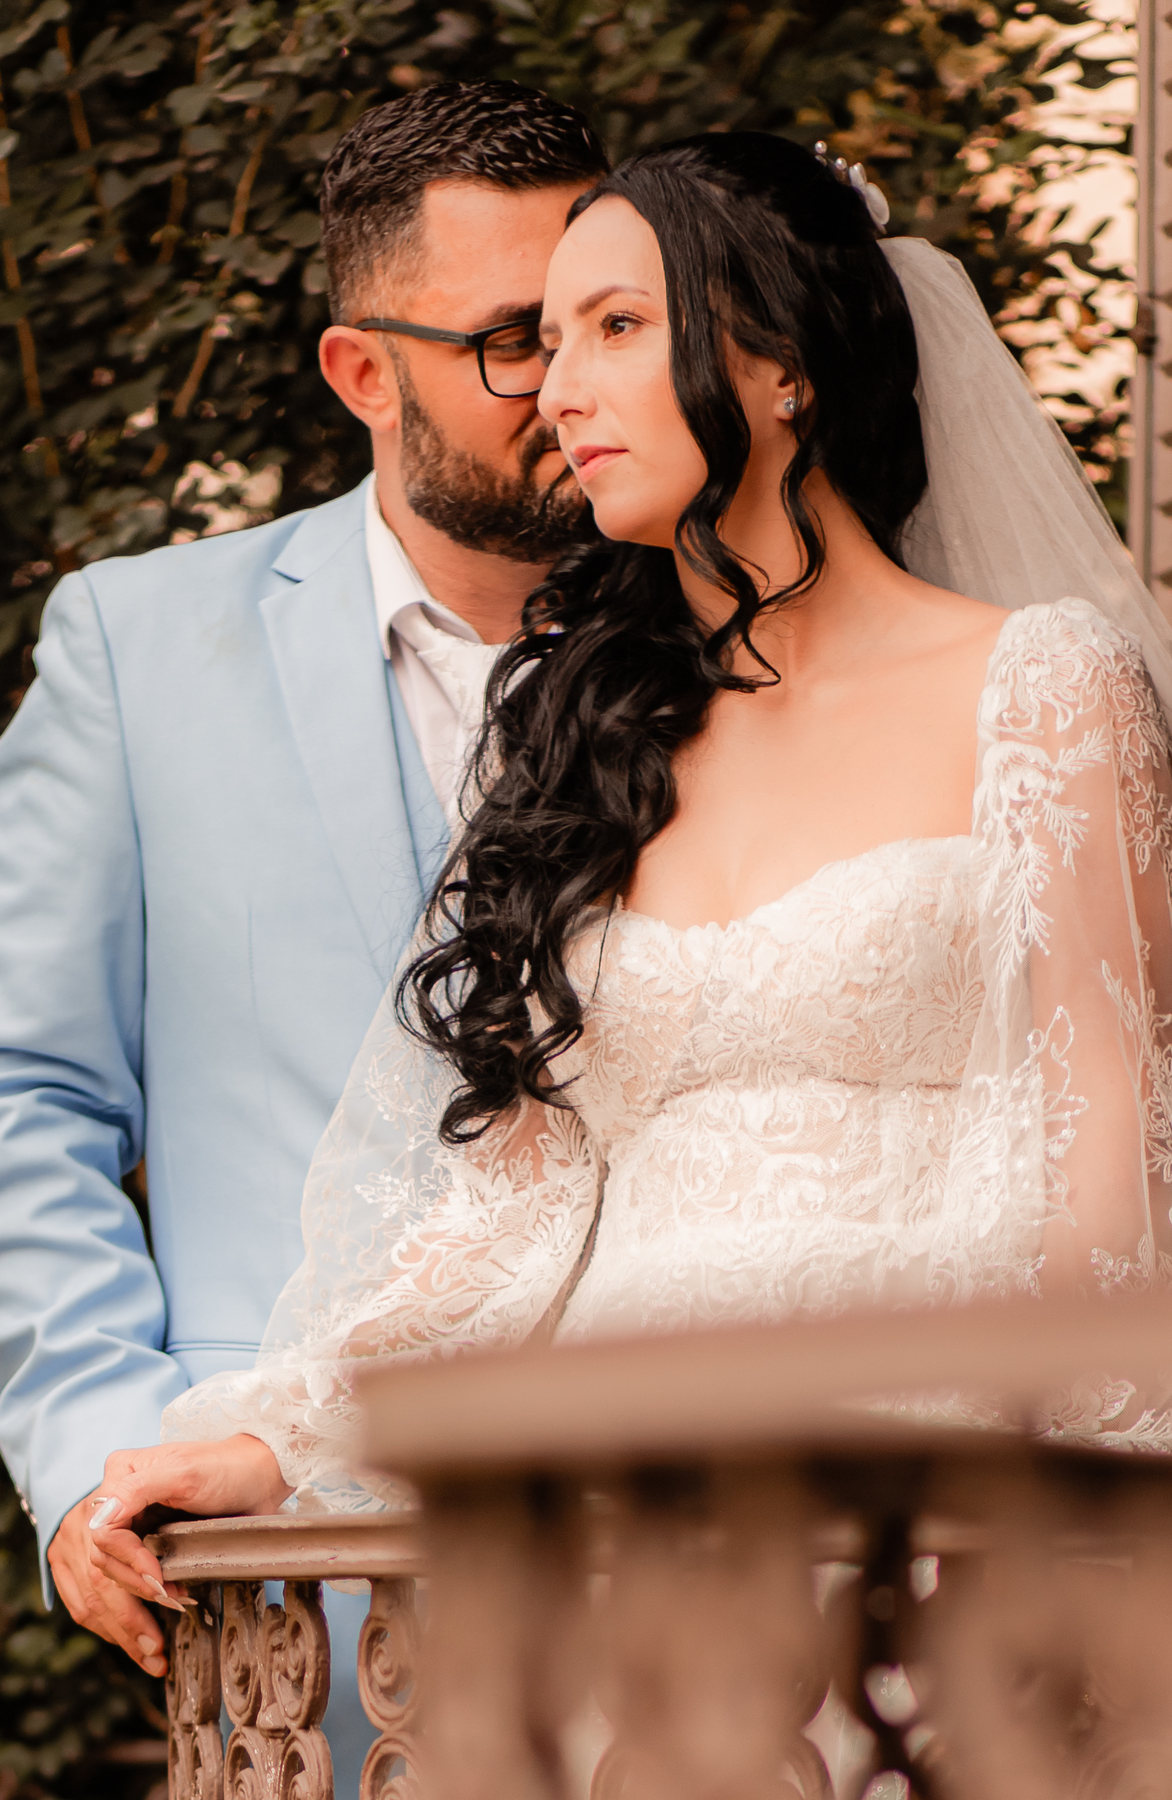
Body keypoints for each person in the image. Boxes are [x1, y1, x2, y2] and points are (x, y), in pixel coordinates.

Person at [86, 133, 1172, 1626]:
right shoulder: (578, 738)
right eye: (545, 341)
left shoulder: (1039, 691)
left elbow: (1112, 1175)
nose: (558, 389)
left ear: (784, 369)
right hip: (607, 1568)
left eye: (617, 326)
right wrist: (277, 1441)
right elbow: (512, 1205)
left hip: (920, 1550)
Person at [0, 78, 608, 1791]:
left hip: (682, 1576)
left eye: (595, 324)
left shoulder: (745, 656)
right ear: (360, 372)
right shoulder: (135, 650)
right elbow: (12, 1090)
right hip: (280, 1584)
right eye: (511, 341)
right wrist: (106, 1458)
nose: (568, 385)